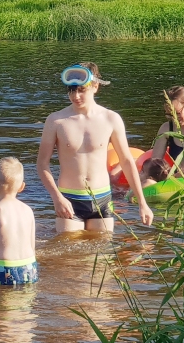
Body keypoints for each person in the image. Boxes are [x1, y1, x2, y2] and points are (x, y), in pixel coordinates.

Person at [36, 63, 153, 232]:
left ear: (95, 86)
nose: (75, 96)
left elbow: (127, 161)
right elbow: (42, 164)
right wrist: (57, 198)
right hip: (69, 198)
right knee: (70, 256)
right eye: (71, 90)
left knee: (103, 252)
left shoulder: (111, 119)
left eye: (81, 90)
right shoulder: (56, 120)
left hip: (102, 198)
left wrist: (142, 203)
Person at [0, 157, 38, 286]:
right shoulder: (28, 210)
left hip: (6, 268)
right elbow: (32, 246)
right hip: (30, 266)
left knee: (4, 304)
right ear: (22, 187)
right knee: (26, 303)